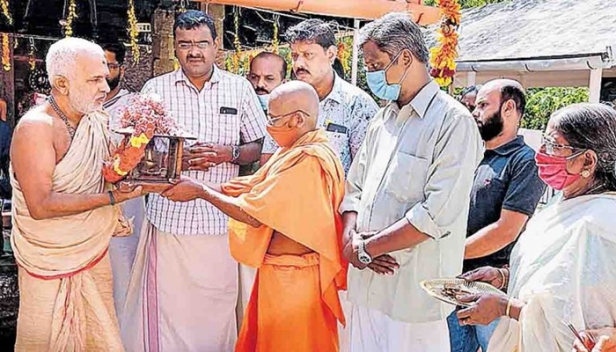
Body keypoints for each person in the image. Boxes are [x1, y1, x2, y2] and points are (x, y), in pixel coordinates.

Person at [162, 80, 347, 352]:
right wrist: (191, 185)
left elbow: (254, 213)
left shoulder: (309, 159)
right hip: (277, 272)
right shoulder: (292, 152)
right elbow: (248, 189)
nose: (268, 126)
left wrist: (201, 192)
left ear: (297, 119)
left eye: (273, 118)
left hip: (296, 280)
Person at [121, 10, 267, 352]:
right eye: (185, 44)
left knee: (217, 310)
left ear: (217, 46)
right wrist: (175, 159)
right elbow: (135, 152)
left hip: (221, 219)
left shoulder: (239, 89)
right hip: (170, 221)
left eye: (202, 43)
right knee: (169, 311)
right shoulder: (154, 91)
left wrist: (226, 153)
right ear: (175, 48)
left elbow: (258, 147)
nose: (194, 51)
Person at [340, 13, 483, 352]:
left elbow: (435, 214)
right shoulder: (382, 119)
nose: (371, 74)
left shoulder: (453, 122)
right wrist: (352, 242)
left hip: (412, 298)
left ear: (406, 58)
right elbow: (354, 189)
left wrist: (367, 248)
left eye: (376, 65)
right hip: (366, 286)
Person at [9, 37, 141, 351]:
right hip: (46, 259)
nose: (105, 88)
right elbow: (40, 206)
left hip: (92, 253)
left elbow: (115, 171)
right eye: (95, 79)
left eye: (105, 77)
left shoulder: (97, 121)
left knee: (100, 335)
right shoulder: (36, 129)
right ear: (62, 83)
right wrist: (113, 198)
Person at [456, 103, 616, 352]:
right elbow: (555, 277)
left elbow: (574, 317)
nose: (541, 152)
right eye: (544, 141)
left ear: (587, 160)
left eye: (555, 145)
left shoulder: (603, 224)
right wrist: (504, 277)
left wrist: (505, 308)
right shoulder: (561, 204)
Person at [447, 80, 546, 352]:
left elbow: (506, 230)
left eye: (483, 105)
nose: (475, 113)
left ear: (509, 108)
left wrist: (447, 252)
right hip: (456, 283)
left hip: (493, 291)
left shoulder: (526, 161)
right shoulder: (475, 155)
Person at [261, 19, 379, 174]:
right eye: (295, 56)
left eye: (308, 55)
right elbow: (268, 161)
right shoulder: (284, 100)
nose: (298, 64)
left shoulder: (357, 105)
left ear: (330, 54)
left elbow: (366, 172)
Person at [100, 40, 145, 323]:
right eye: (98, 66)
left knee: (122, 273)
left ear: (122, 69)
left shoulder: (133, 106)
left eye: (110, 65)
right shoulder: (77, 105)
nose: (104, 72)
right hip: (83, 203)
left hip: (124, 204)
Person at [245, 51, 287, 168]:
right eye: (254, 77)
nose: (260, 84)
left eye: (269, 79)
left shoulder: (291, 119)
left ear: (284, 83)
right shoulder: (239, 111)